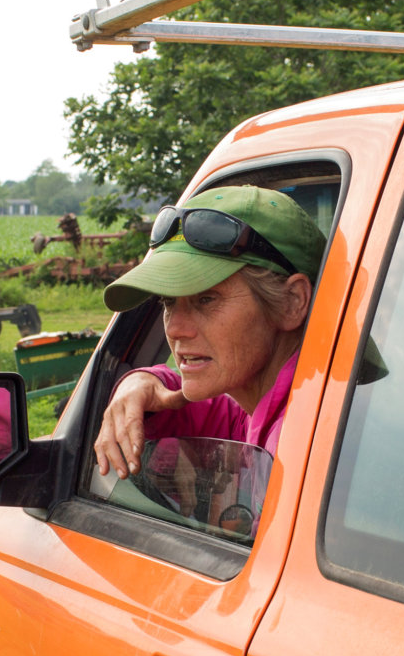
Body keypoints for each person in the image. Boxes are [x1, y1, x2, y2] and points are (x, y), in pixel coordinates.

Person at [92, 186, 327, 481]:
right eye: (168, 302)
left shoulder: (301, 447)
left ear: (292, 302)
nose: (175, 329)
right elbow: (219, 414)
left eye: (206, 300)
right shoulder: (294, 402)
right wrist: (144, 383)